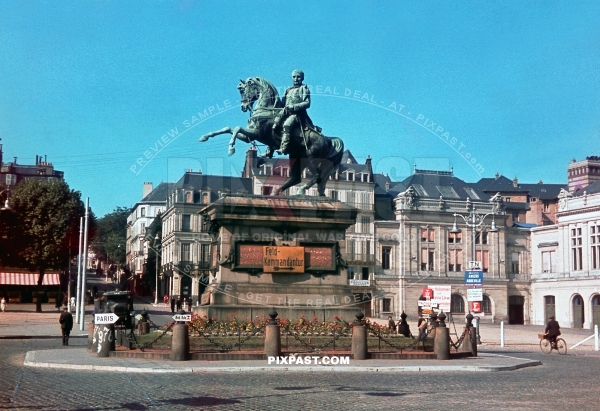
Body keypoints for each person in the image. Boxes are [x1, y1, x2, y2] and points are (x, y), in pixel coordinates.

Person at [274, 69, 317, 154]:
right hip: (285, 113)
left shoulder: (303, 88)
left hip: (296, 114)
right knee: (273, 124)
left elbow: (307, 103)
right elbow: (283, 103)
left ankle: (284, 147)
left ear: (302, 78)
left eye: (298, 77)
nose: (296, 79)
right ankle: (270, 149)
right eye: (294, 77)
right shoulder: (288, 89)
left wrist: (293, 107)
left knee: (287, 125)